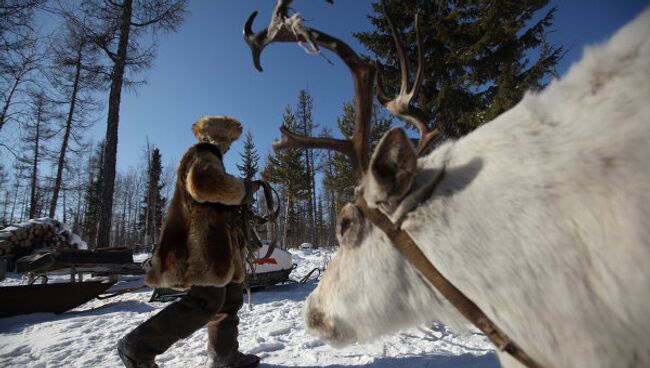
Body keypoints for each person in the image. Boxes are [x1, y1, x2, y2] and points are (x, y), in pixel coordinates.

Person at [117, 116, 260, 368]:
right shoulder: (204, 154)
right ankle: (138, 346)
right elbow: (204, 185)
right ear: (218, 137)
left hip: (221, 244)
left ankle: (224, 356)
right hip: (205, 245)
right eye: (227, 141)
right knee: (205, 302)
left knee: (229, 300)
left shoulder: (208, 157)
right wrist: (244, 190)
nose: (228, 147)